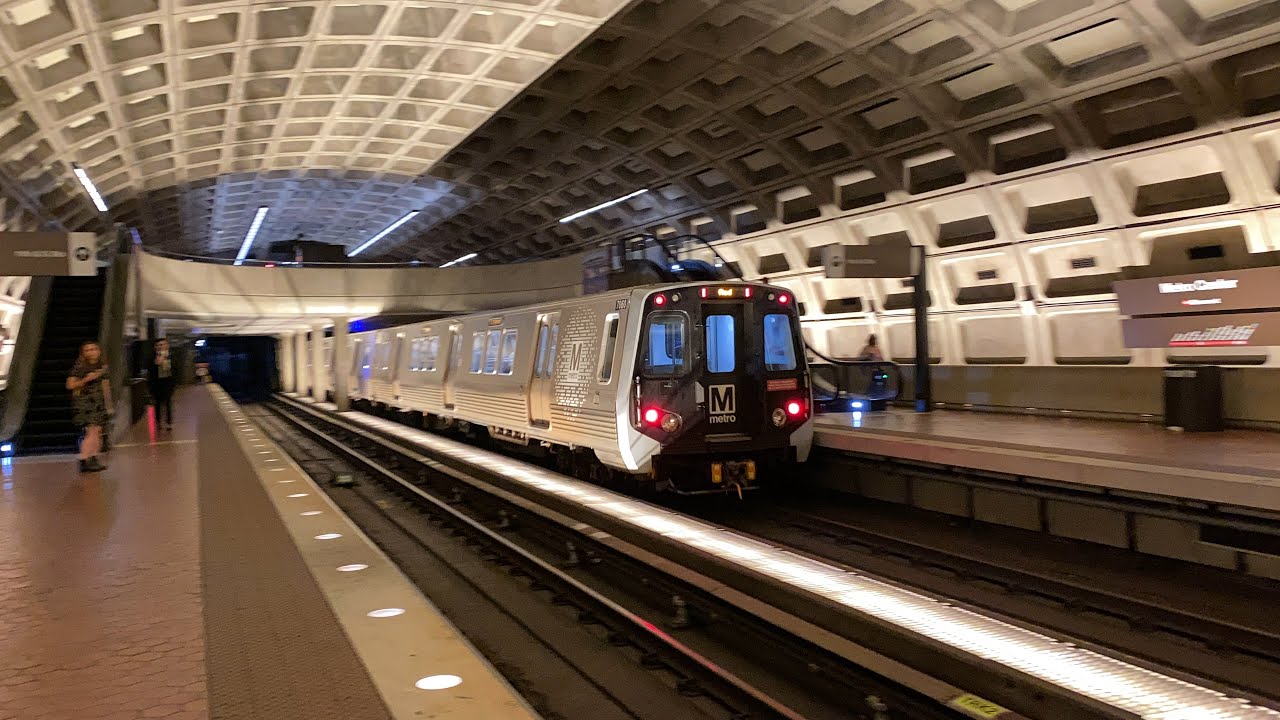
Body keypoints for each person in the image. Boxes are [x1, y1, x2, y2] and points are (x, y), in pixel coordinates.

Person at [66, 341, 111, 473]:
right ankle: (84, 458)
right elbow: (70, 385)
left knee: (98, 432)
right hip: (86, 403)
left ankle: (93, 457)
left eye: (94, 349)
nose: (91, 352)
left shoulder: (102, 367)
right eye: (88, 350)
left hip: (99, 402)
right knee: (91, 432)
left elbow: (106, 386)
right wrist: (86, 379)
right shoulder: (79, 367)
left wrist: (109, 404)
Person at [148, 338, 175, 431]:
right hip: (156, 383)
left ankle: (169, 422)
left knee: (168, 401)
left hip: (167, 382)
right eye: (158, 345)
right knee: (157, 403)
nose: (160, 346)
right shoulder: (152, 357)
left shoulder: (171, 355)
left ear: (167, 345)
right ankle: (158, 422)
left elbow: (173, 369)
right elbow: (151, 368)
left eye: (162, 344)